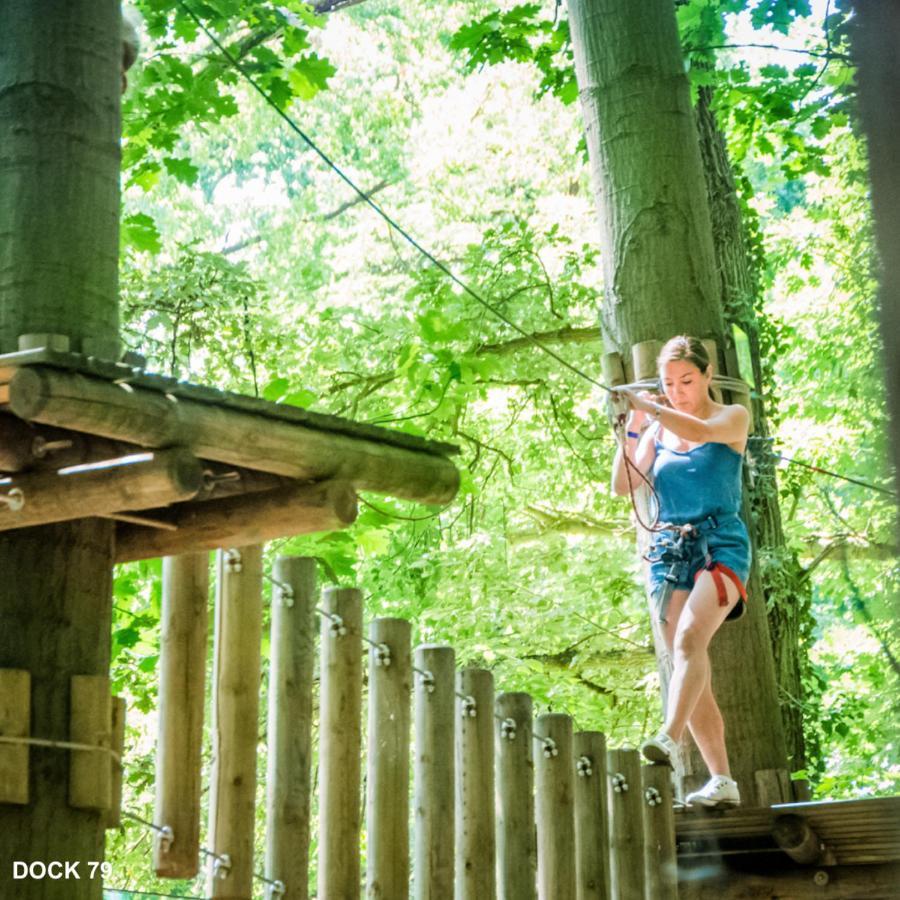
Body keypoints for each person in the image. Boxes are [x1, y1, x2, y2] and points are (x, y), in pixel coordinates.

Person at [610, 335, 751, 808]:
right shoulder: (655, 431)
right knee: (685, 663)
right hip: (671, 550)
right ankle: (722, 780)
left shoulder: (732, 418)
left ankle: (669, 738)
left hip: (720, 545)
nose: (677, 391)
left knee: (691, 640)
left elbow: (701, 431)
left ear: (707, 376)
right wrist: (635, 422)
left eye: (687, 380)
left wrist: (654, 409)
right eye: (668, 384)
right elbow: (622, 483)